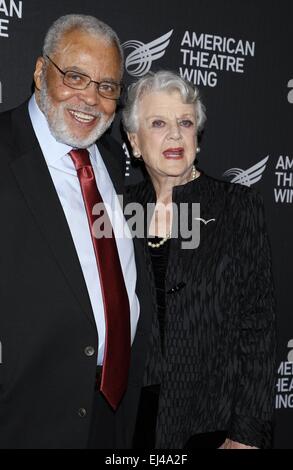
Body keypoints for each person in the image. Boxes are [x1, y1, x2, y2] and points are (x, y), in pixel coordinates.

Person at [0, 14, 152, 449]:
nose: (90, 99)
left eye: (106, 86)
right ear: (39, 72)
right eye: (75, 76)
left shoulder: (111, 156)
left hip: (112, 415)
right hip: (25, 419)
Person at [122, 71, 276, 449]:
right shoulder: (119, 208)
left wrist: (247, 433)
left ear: (197, 138)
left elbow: (258, 327)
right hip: (129, 420)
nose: (175, 135)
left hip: (212, 422)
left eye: (185, 122)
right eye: (158, 123)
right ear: (134, 142)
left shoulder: (236, 206)